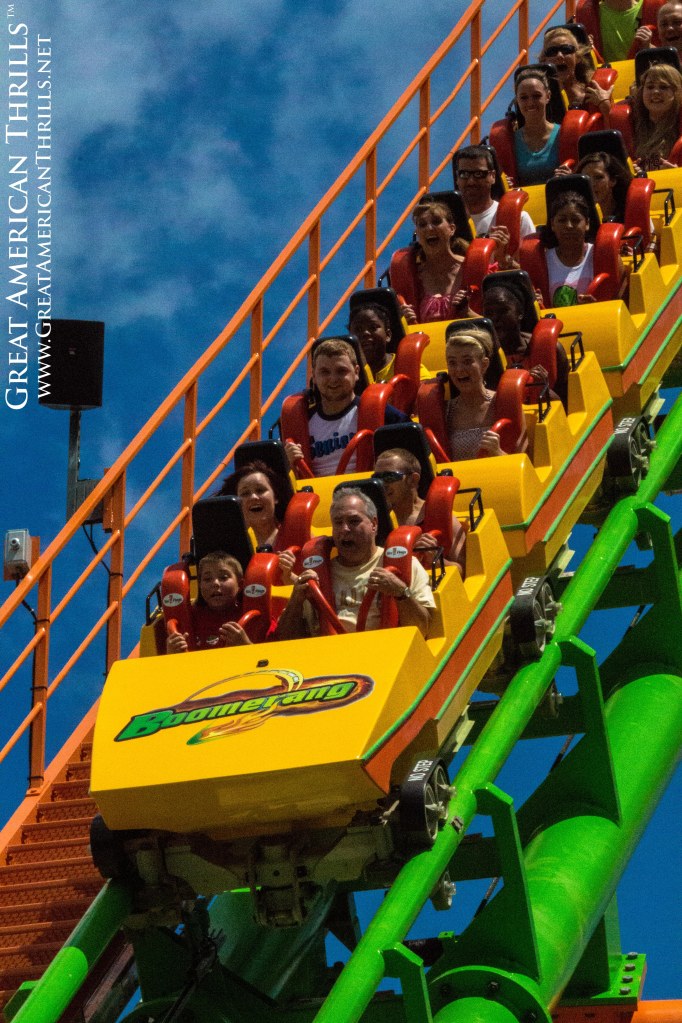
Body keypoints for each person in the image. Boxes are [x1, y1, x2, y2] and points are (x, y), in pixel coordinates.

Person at [275, 488, 435, 639]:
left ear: (373, 524)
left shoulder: (404, 565)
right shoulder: (317, 574)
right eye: (338, 522)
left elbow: (423, 629)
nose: (345, 529)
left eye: (353, 521)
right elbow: (285, 639)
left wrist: (400, 592)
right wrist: (296, 600)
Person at [284, 338, 408, 477]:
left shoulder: (380, 413)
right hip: (318, 495)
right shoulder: (302, 423)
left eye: (341, 371)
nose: (333, 379)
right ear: (314, 376)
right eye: (325, 372)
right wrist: (288, 463)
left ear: (356, 372)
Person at [372, 447, 467, 573]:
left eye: (389, 477)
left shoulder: (438, 515)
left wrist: (436, 560)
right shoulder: (373, 521)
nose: (382, 484)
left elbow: (464, 571)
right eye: (377, 478)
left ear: (413, 479)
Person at [481, 282, 569, 405]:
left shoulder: (552, 349)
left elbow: (566, 406)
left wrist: (541, 387)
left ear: (519, 313)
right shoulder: (481, 357)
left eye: (503, 311)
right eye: (489, 313)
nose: (495, 318)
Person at [453, 144, 536, 265]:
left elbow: (532, 272)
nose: (471, 181)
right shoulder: (446, 224)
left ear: (492, 176)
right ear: (457, 178)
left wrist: (503, 258)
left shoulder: (519, 219)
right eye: (464, 174)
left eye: (478, 174)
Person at [398, 197, 474, 324]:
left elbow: (494, 323)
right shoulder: (413, 277)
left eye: (436, 222)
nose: (429, 228)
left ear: (452, 229)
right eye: (422, 225)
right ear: (417, 233)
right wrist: (404, 323)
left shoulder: (471, 268)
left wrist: (467, 313)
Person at [166, 551, 252, 653]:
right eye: (207, 579)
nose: (215, 583)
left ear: (240, 584)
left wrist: (246, 645)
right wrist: (171, 653)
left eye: (223, 577)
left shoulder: (252, 617)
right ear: (200, 586)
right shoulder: (188, 618)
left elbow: (274, 657)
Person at [442, 330, 503, 460]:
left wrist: (498, 453)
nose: (459, 369)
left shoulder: (503, 402)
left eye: (467, 361)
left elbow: (525, 461)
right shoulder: (445, 411)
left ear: (484, 365)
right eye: (452, 363)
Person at [539, 27, 613, 118]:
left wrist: (604, 104)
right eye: (552, 51)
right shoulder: (538, 97)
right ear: (544, 60)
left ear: (577, 57)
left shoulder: (594, 87)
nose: (559, 55)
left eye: (566, 49)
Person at [347, 302, 430, 383]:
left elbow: (425, 391)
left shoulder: (406, 367)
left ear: (388, 335)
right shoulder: (345, 371)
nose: (365, 333)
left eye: (373, 327)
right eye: (358, 329)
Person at [540, 190, 596, 306]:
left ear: (587, 223)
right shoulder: (542, 262)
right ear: (552, 224)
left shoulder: (600, 255)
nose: (569, 226)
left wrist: (598, 305)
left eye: (575, 220)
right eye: (562, 220)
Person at [217, 460, 288, 548]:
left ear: (276, 497)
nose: (253, 497)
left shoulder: (297, 533)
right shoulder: (230, 547)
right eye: (245, 493)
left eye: (260, 490)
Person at [512, 69, 562, 185]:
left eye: (536, 96)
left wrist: (571, 176)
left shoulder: (563, 134)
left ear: (548, 96)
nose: (530, 103)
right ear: (517, 101)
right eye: (524, 98)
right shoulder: (511, 141)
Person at [575, 0, 667, 62]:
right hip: (604, 84)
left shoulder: (660, 8)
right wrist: (586, 50)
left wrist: (649, 47)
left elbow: (674, 55)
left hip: (649, 81)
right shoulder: (586, 11)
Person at [632, 63, 682, 170]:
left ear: (677, 92)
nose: (655, 92)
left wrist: (677, 174)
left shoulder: (678, 126)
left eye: (663, 87)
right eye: (650, 87)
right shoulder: (631, 124)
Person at [574, 151, 631, 221]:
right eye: (586, 178)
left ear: (612, 180)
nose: (591, 184)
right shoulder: (575, 216)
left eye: (598, 177)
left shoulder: (629, 213)